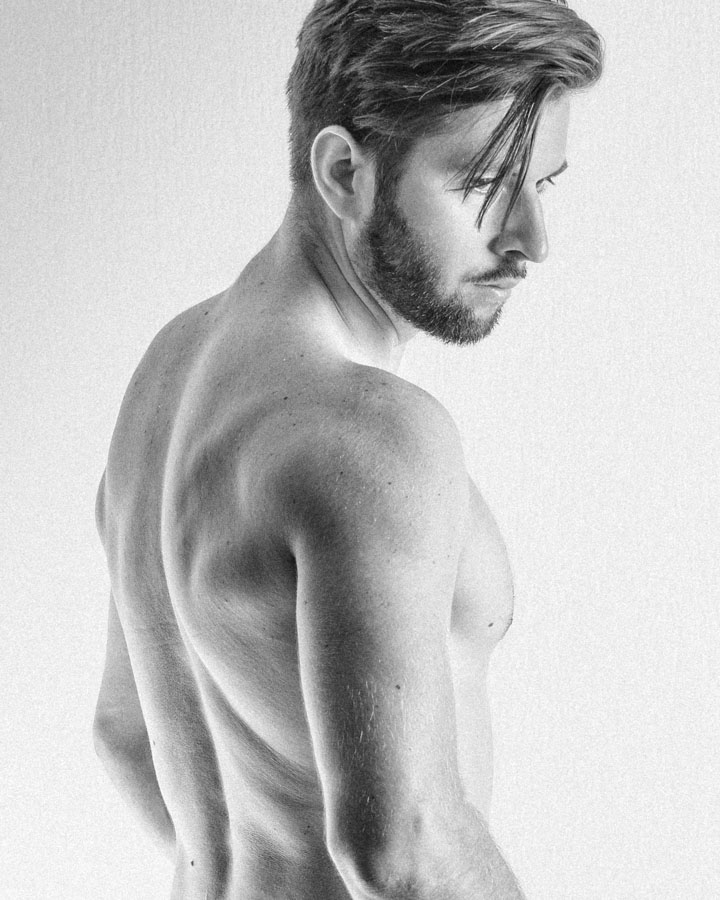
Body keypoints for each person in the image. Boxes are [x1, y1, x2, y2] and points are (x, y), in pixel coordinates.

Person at [93, 1, 603, 897]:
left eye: (544, 185)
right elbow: (402, 849)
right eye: (484, 184)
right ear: (343, 171)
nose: (531, 240)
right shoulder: (375, 435)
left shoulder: (169, 370)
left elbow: (127, 736)